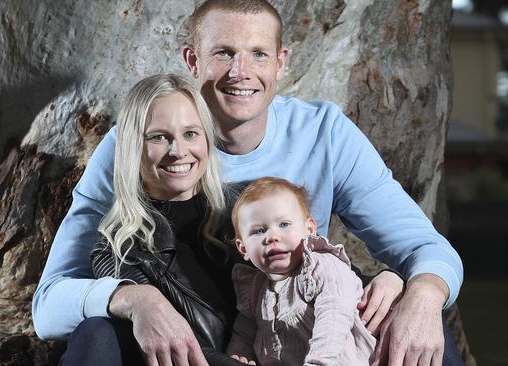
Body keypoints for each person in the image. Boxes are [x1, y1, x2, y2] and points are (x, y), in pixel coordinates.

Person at [32, 1, 464, 365]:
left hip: (292, 327)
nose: (241, 72)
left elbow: (425, 248)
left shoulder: (325, 134)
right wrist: (134, 298)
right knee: (96, 334)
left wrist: (420, 291)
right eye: (223, 53)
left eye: (258, 54)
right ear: (192, 61)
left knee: (419, 321)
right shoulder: (135, 141)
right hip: (182, 338)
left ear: (281, 63)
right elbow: (49, 304)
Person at [78, 73, 243, 365]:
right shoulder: (119, 246)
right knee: (95, 332)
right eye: (158, 137)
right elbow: (185, 348)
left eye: (191, 133)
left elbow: (311, 260)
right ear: (134, 147)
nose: (178, 151)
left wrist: (353, 291)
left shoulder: (248, 205)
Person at [226, 177, 405, 365]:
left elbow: (334, 318)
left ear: (310, 229)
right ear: (243, 248)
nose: (272, 237)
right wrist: (239, 356)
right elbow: (243, 334)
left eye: (284, 224)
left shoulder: (322, 267)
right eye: (259, 230)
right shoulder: (255, 289)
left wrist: (319, 362)